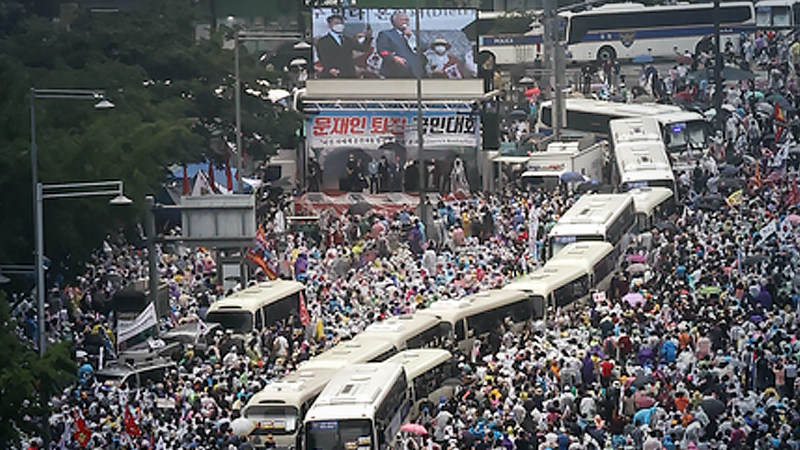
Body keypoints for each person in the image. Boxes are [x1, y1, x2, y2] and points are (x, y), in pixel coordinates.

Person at [316, 14, 370, 79]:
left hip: (349, 73)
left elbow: (363, 48)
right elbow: (322, 56)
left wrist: (367, 37)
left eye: (341, 23)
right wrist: (330, 68)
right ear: (329, 24)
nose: (339, 25)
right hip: (332, 74)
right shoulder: (323, 41)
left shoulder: (347, 40)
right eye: (336, 23)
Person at [376, 11, 422, 79]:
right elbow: (382, 51)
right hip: (395, 70)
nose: (405, 22)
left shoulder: (414, 34)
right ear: (394, 22)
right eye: (402, 20)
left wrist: (412, 36)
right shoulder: (386, 34)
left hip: (414, 71)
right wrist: (393, 57)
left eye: (407, 20)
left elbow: (424, 47)